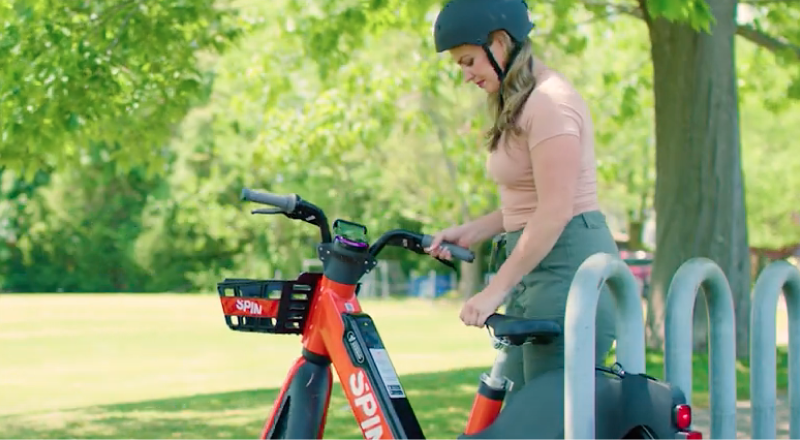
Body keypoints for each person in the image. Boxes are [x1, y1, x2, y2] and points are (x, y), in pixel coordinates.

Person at [425, 0, 618, 400]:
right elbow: (528, 202)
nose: (465, 75)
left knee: (542, 416)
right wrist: (472, 232)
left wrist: (495, 290)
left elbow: (555, 210)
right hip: (538, 269)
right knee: (510, 411)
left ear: (499, 43)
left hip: (568, 266)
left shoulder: (550, 102)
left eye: (468, 61)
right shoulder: (522, 101)